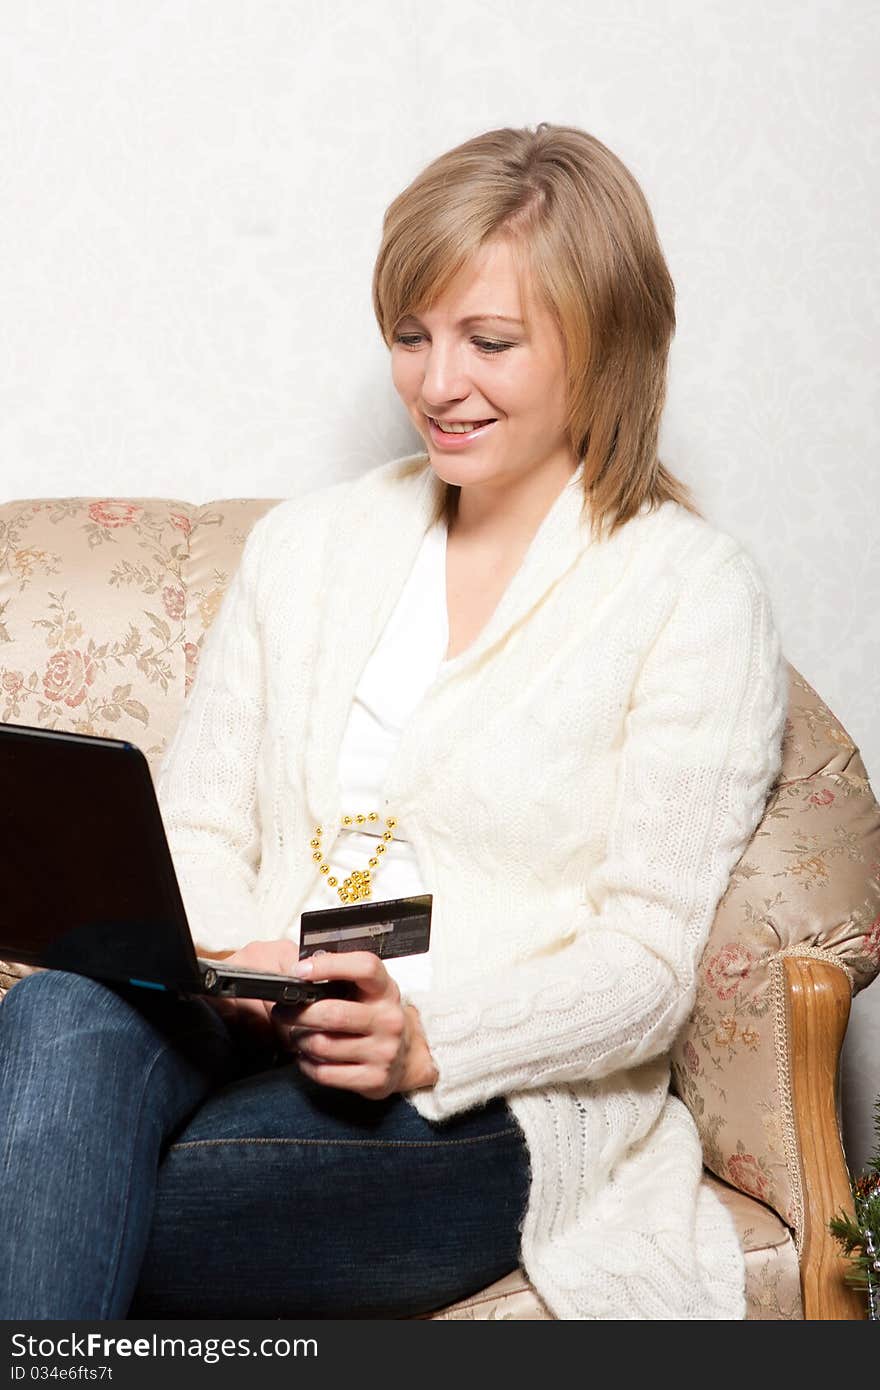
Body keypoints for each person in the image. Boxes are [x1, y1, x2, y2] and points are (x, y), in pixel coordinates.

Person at [0, 122, 788, 1320]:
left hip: (487, 1093)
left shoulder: (688, 590)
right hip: (251, 1019)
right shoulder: (305, 547)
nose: (435, 383)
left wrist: (429, 1036)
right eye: (411, 336)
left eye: (490, 342)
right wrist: (232, 961)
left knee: (81, 1194)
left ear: (604, 345)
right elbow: (203, 821)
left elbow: (646, 961)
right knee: (59, 1004)